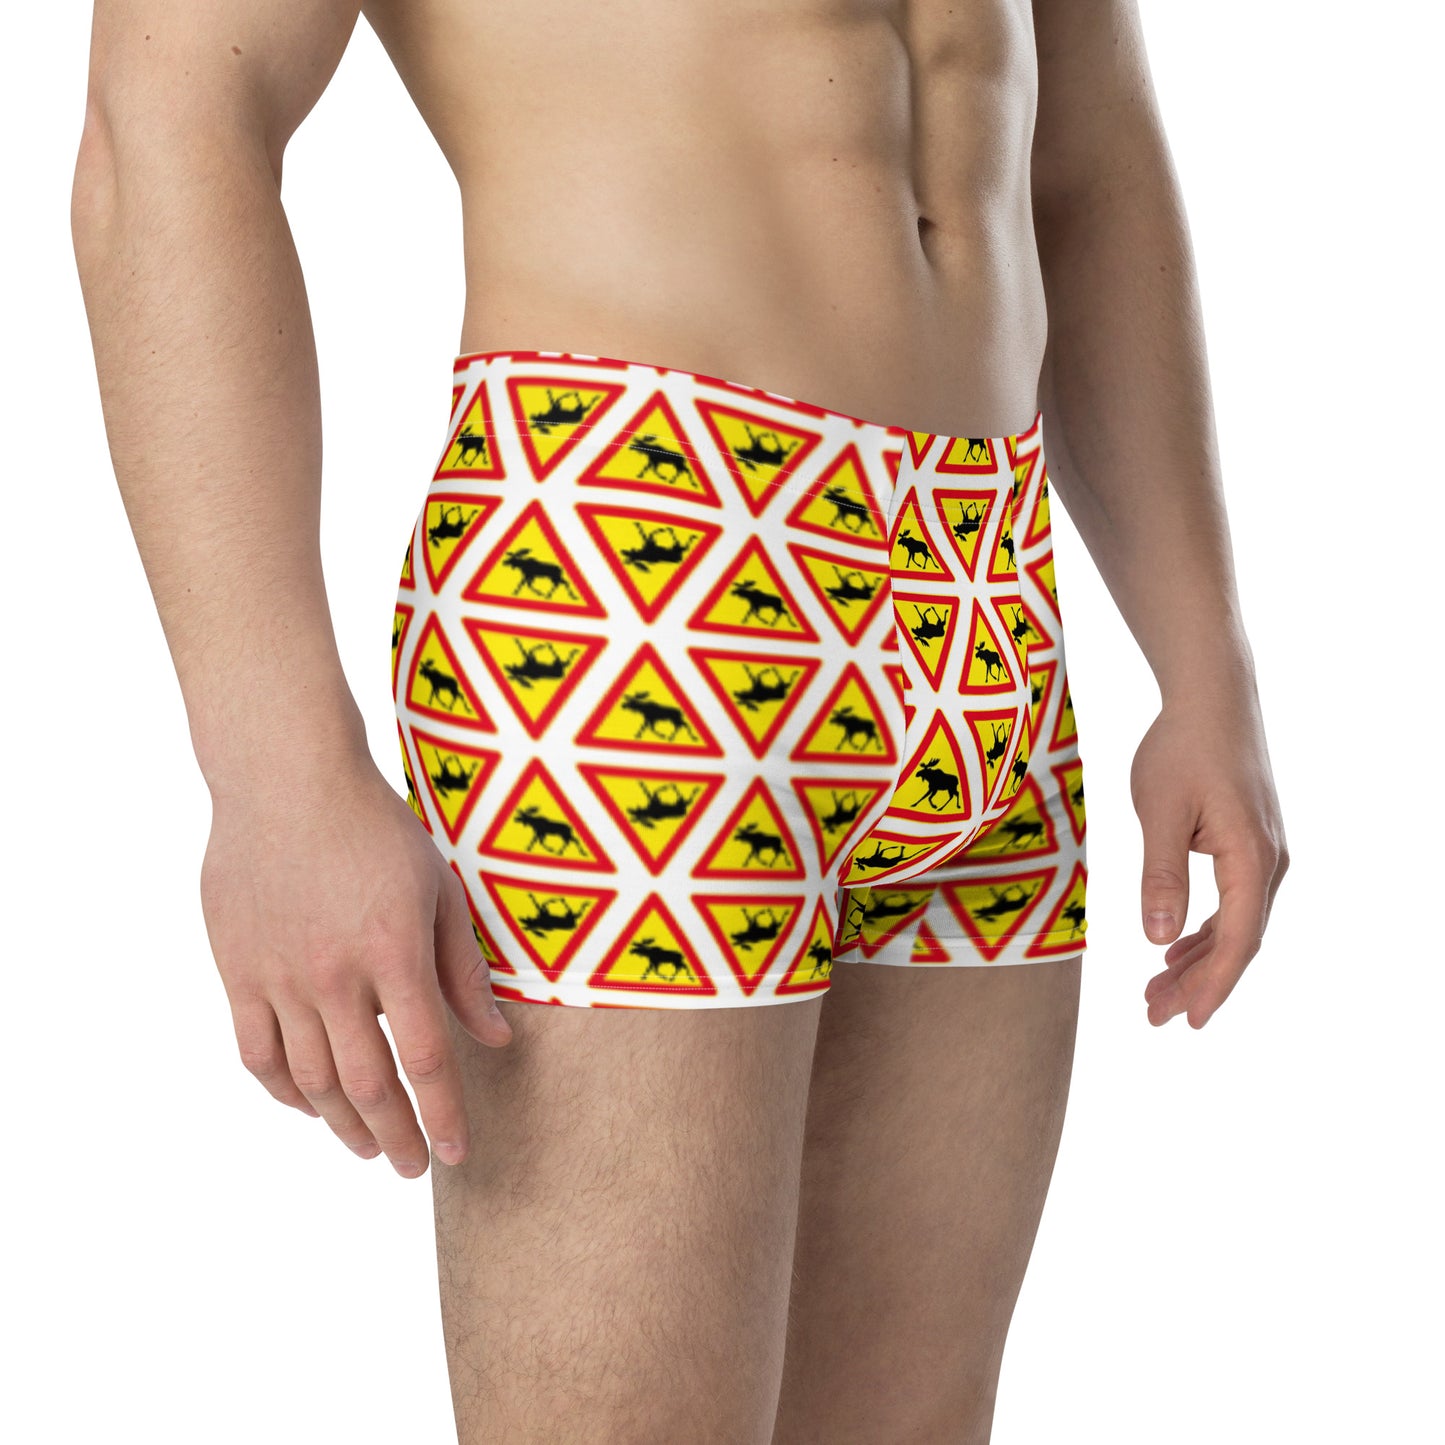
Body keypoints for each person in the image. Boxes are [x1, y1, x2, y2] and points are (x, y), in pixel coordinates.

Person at [70, 0, 1289, 1439]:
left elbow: (1083, 148)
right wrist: (275, 771)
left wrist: (1201, 655)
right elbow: (170, 122)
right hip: (639, 557)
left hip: (987, 582)